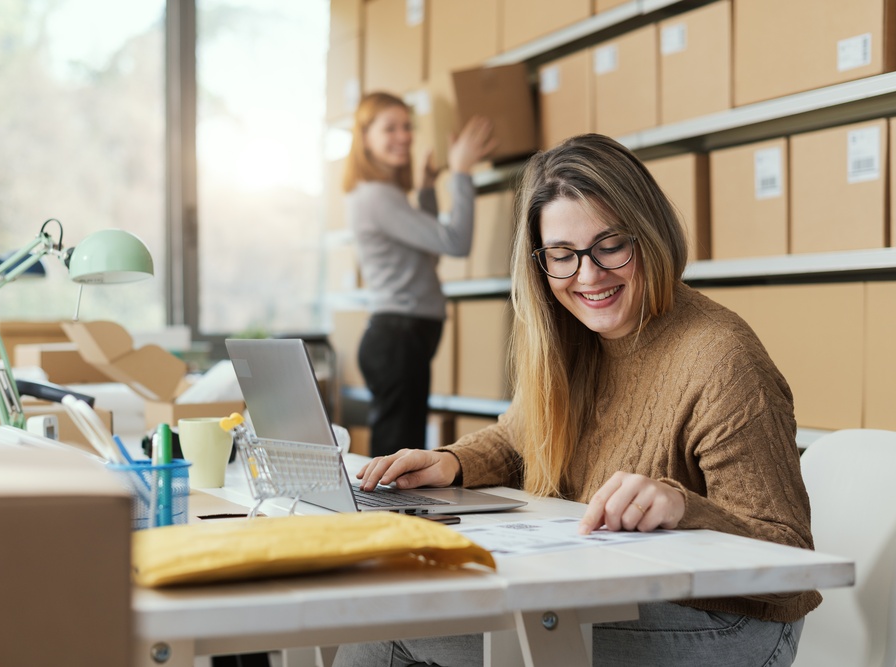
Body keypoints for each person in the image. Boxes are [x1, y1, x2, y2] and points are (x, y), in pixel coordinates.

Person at [333, 133, 821, 667]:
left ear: (650, 234)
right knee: (391, 594)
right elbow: (519, 436)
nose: (588, 276)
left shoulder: (720, 357)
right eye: (563, 255)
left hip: (730, 622)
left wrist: (683, 506)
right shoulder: (571, 339)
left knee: (391, 624)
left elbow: (789, 555)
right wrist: (452, 461)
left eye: (610, 245)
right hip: (618, 589)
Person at [343, 92, 495, 457]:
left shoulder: (388, 194)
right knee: (398, 455)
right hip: (398, 339)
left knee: (400, 450)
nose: (404, 136)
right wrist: (460, 173)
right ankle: (387, 516)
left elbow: (428, 254)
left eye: (408, 126)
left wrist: (427, 188)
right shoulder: (376, 195)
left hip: (402, 338)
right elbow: (455, 242)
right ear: (364, 137)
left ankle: (389, 514)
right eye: (390, 128)